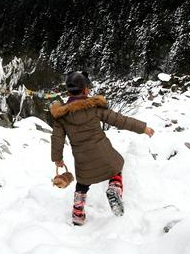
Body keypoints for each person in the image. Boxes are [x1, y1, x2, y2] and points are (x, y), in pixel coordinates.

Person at [50, 71, 155, 226]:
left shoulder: (61, 116)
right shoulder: (94, 108)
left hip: (82, 158)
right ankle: (114, 188)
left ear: (68, 92)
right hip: (103, 152)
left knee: (82, 184)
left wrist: (57, 159)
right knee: (116, 167)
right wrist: (143, 128)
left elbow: (57, 139)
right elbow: (120, 120)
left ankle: (77, 214)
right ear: (86, 90)